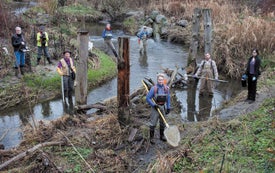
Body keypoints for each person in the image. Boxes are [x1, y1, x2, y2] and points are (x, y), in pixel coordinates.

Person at [146, 73, 171, 144]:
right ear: (157, 80)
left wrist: (168, 107)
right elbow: (148, 98)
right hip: (155, 108)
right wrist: (153, 105)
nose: (160, 81)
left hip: (163, 107)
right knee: (153, 123)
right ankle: (151, 138)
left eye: (162, 80)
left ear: (164, 80)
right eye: (159, 80)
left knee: (162, 122)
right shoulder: (154, 88)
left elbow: (168, 98)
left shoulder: (166, 88)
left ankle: (162, 136)